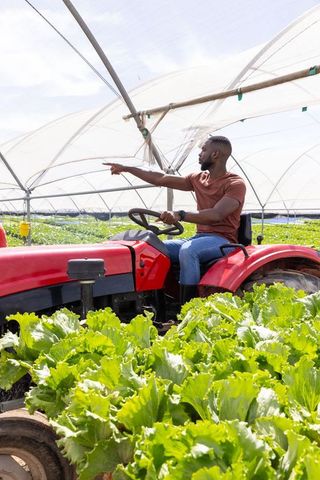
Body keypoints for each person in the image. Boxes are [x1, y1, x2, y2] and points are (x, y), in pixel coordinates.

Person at [104, 135, 246, 303]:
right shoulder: (198, 179)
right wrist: (127, 169)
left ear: (215, 154)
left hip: (223, 241)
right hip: (199, 237)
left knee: (188, 251)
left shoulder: (235, 184)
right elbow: (160, 179)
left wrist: (180, 215)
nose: (200, 154)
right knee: (153, 248)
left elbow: (216, 215)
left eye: (203, 150)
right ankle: (157, 301)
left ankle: (189, 306)